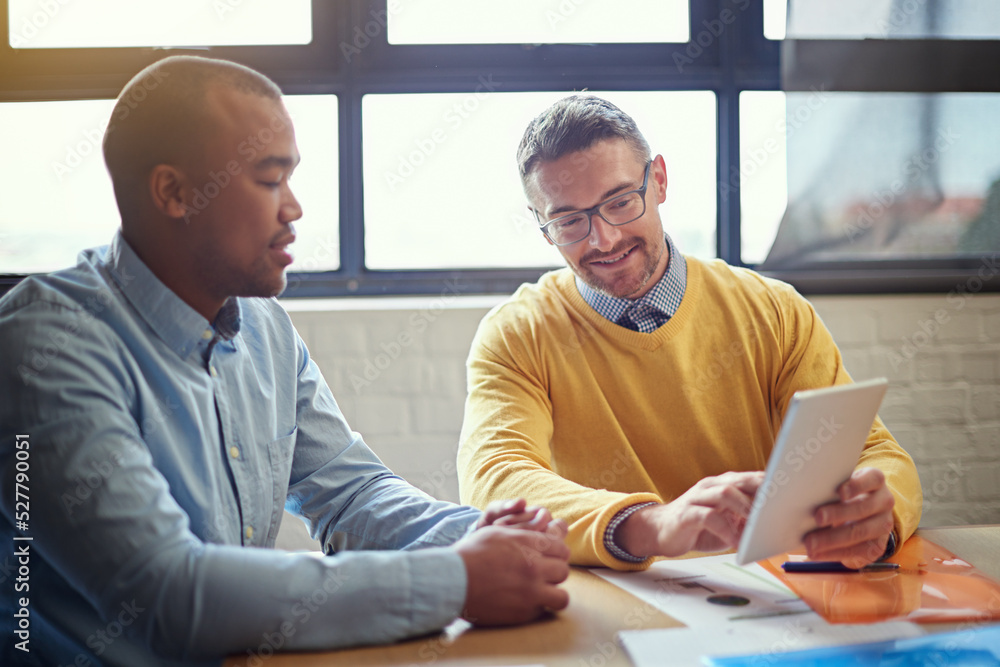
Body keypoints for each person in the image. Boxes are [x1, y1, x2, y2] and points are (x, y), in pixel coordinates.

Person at [0, 56, 570, 667]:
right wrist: (458, 581)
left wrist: (485, 536)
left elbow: (349, 496)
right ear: (173, 192)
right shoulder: (44, 346)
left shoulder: (263, 322)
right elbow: (168, 593)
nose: (294, 209)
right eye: (270, 181)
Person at [457, 94, 922, 572]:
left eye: (620, 202)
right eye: (570, 221)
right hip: (618, 605)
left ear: (658, 180)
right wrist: (651, 524)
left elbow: (875, 454)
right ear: (542, 226)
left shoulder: (775, 311)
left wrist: (876, 518)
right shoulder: (516, 334)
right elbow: (495, 479)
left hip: (772, 597)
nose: (605, 239)